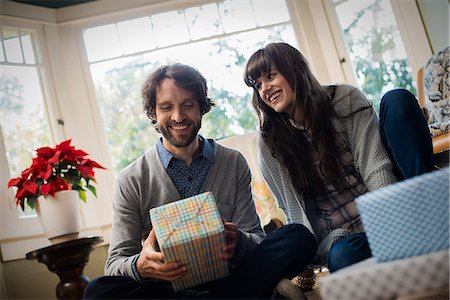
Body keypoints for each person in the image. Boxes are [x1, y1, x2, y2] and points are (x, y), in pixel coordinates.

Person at [84, 63, 317, 299]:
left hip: (233, 275)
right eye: (166, 107)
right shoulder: (131, 180)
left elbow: (256, 239)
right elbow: (115, 264)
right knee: (97, 291)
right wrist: (140, 266)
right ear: (153, 112)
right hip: (171, 289)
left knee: (298, 237)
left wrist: (238, 242)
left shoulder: (232, 162)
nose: (178, 116)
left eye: (188, 105)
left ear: (201, 107)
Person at [243, 42, 436, 272]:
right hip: (347, 238)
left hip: (393, 211)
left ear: (294, 69)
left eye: (270, 76)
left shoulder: (345, 99)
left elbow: (375, 166)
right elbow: (295, 213)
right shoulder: (269, 143)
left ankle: (429, 217)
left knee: (397, 99)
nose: (264, 89)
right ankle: (409, 242)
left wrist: (391, 219)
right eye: (257, 85)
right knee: (342, 257)